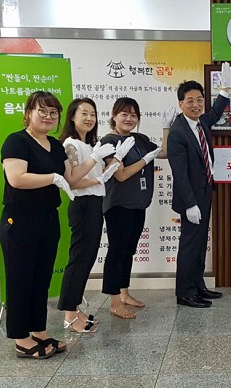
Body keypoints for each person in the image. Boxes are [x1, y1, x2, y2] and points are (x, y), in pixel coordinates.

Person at [0, 91, 103, 358]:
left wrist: (96, 162)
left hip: (47, 218)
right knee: (21, 279)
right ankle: (21, 338)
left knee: (41, 279)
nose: (48, 116)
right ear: (28, 113)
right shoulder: (17, 141)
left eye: (53, 113)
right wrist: (52, 178)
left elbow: (71, 177)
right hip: (20, 220)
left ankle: (39, 330)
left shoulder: (55, 146)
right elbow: (17, 179)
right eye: (42, 111)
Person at [168, 62, 231, 308]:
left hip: (205, 192)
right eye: (190, 101)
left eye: (199, 100)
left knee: (199, 243)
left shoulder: (200, 122)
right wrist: (190, 204)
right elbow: (180, 173)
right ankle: (185, 293)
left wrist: (224, 89)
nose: (196, 105)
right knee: (189, 245)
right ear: (180, 104)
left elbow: (214, 113)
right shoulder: (178, 132)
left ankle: (198, 286)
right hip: (191, 198)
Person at [57, 98, 121, 333]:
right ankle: (69, 314)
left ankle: (75, 308)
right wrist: (99, 179)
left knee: (87, 258)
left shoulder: (90, 145)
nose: (89, 118)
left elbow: (94, 175)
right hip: (83, 204)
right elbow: (73, 181)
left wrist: (113, 163)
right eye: (84, 113)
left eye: (92, 114)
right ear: (72, 117)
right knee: (79, 259)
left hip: (94, 202)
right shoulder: (71, 144)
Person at [100, 97, 162, 319]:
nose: (129, 119)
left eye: (134, 115)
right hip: (118, 205)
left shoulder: (140, 138)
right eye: (124, 114)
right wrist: (145, 160)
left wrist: (167, 129)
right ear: (114, 116)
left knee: (128, 251)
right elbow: (121, 174)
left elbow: (162, 153)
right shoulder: (108, 142)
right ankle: (114, 302)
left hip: (138, 203)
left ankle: (124, 293)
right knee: (117, 252)